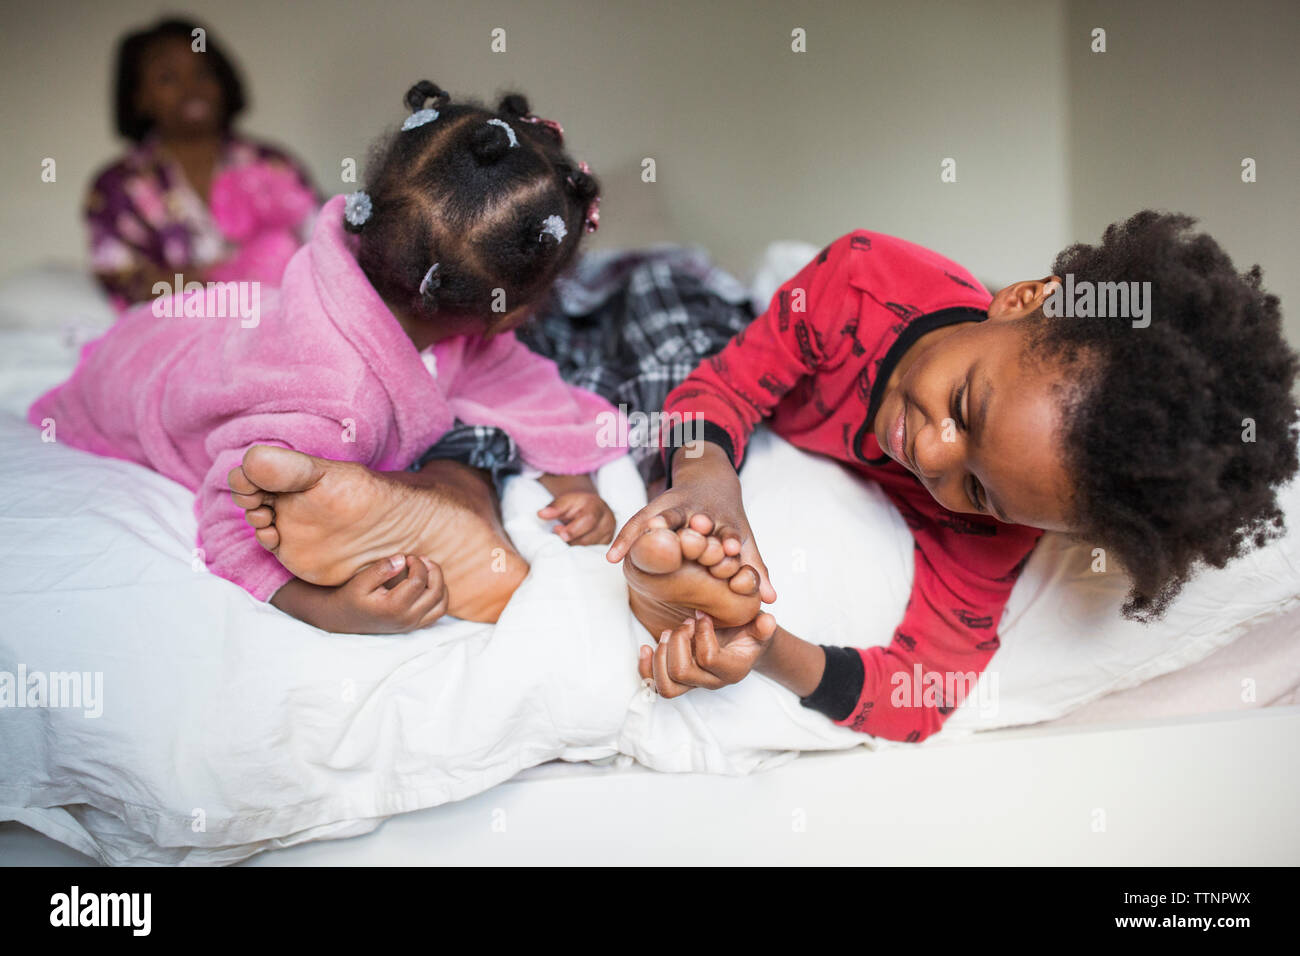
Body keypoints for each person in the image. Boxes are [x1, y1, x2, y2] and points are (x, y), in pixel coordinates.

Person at [605, 212, 1300, 742]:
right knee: (666, 348)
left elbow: (920, 697)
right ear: (1022, 299)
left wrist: (765, 648)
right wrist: (706, 484)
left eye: (977, 488)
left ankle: (668, 576)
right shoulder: (865, 281)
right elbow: (728, 386)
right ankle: (663, 508)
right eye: (965, 408)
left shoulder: (990, 530)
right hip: (741, 319)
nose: (933, 456)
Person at [32, 82, 621, 633]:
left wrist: (575, 483)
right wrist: (331, 609)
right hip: (135, 373)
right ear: (511, 312)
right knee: (278, 467)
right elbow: (231, 516)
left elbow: (527, 390)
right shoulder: (333, 399)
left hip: (218, 318)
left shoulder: (450, 331)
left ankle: (407, 504)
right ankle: (377, 511)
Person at [86, 17, 318, 310]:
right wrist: (228, 279)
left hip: (279, 317)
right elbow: (127, 283)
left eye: (203, 73)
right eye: (168, 78)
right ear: (139, 98)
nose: (191, 88)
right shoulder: (117, 185)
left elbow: (323, 246)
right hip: (174, 330)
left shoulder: (270, 163)